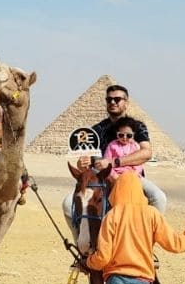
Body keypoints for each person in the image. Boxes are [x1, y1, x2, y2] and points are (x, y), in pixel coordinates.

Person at [62, 85, 167, 229]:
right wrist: (82, 163)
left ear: (126, 103)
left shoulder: (137, 127)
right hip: (102, 180)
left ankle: (146, 239)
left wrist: (113, 162)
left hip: (133, 177)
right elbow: (87, 161)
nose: (113, 102)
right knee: (68, 205)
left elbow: (146, 153)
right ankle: (84, 247)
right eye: (109, 99)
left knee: (159, 198)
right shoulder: (96, 130)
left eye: (117, 99)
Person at [103, 117, 144, 181]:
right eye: (121, 135)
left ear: (133, 134)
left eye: (129, 135)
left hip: (133, 177)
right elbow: (106, 163)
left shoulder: (135, 146)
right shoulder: (112, 145)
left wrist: (135, 174)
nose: (125, 138)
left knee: (156, 191)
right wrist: (114, 176)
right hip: (115, 177)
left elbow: (139, 164)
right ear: (117, 134)